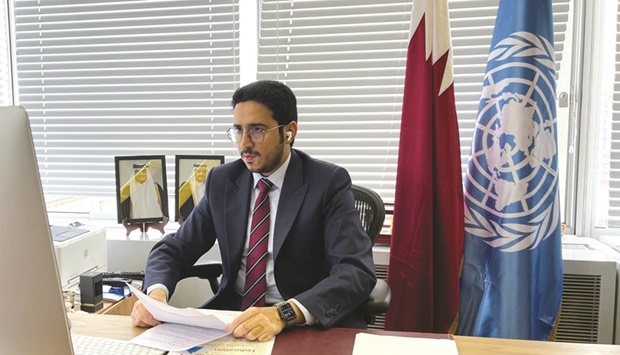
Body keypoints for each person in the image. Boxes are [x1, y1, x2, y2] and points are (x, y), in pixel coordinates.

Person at [131, 80, 376, 342]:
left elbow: (355, 271)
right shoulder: (223, 181)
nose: (244, 144)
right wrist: (156, 294)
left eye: (256, 130)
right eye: (238, 130)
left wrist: (283, 313)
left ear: (289, 132)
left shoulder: (327, 183)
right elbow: (174, 249)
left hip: (299, 321)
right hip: (233, 318)